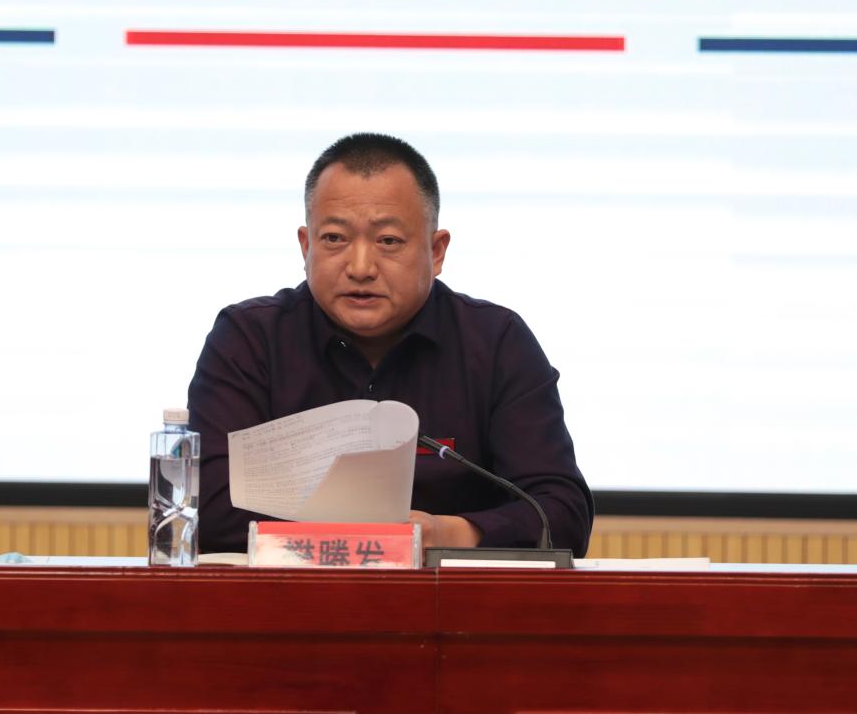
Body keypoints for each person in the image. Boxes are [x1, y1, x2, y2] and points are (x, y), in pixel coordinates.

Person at [188, 133, 593, 554]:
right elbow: (209, 514)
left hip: (450, 594)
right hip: (290, 593)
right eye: (334, 239)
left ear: (436, 251)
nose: (361, 267)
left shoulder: (496, 344)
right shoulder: (249, 341)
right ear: (306, 246)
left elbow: (561, 515)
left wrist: (444, 536)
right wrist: (378, 541)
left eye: (388, 241)